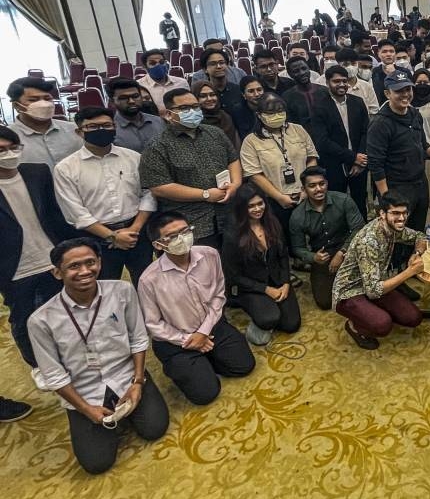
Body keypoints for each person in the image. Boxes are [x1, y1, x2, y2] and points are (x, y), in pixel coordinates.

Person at [28, 238, 169, 474]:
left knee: (155, 428)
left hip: (127, 377)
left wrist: (137, 382)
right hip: (84, 391)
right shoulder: (41, 321)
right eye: (74, 266)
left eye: (90, 262)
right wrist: (85, 409)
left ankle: (131, 400)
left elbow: (138, 338)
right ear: (57, 273)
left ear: (100, 263)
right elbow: (54, 376)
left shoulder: (122, 291)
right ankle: (101, 415)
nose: (85, 271)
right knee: (97, 463)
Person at [138, 211, 255, 404]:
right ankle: (189, 365)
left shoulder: (209, 255)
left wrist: (203, 332)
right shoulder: (149, 280)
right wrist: (188, 340)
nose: (182, 238)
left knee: (244, 366)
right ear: (159, 245)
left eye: (185, 231)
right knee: (205, 394)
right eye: (173, 236)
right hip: (176, 341)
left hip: (211, 325)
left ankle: (206, 359)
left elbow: (218, 295)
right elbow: (153, 324)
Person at [0, 126, 75, 385]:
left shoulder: (37, 172)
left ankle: (70, 357)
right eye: (1, 151)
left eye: (13, 148)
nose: (9, 154)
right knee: (25, 319)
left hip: (51, 256)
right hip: (13, 266)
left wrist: (68, 248)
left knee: (66, 310)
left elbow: (54, 215)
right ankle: (38, 364)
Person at [53, 107, 156, 288]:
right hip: (97, 238)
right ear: (79, 132)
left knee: (147, 283)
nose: (101, 130)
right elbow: (76, 213)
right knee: (106, 288)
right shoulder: (66, 168)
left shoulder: (133, 158)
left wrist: (135, 228)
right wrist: (112, 236)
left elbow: (148, 193)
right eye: (92, 127)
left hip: (137, 232)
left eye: (106, 125)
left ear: (114, 127)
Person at [139, 88, 242, 249]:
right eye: (184, 109)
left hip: (229, 214)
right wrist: (206, 195)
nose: (192, 112)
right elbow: (159, 187)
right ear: (168, 114)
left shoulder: (215, 133)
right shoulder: (157, 146)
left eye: (195, 107)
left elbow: (233, 159)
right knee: (202, 268)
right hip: (192, 222)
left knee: (233, 264)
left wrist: (235, 185)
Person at [330, 191, 426, 349]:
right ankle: (354, 325)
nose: (401, 218)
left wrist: (417, 253)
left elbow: (419, 236)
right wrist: (409, 272)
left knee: (413, 318)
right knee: (383, 325)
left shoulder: (393, 227)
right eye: (395, 213)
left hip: (376, 282)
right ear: (382, 213)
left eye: (404, 213)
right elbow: (373, 291)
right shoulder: (369, 240)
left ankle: (372, 311)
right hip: (350, 291)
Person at [367, 70, 430, 233]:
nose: (405, 94)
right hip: (397, 188)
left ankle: (415, 258)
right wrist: (386, 199)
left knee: (417, 232)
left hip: (419, 184)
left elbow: (423, 144)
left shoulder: (414, 114)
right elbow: (376, 165)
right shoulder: (380, 124)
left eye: (408, 89)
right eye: (399, 91)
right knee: (397, 235)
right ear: (387, 93)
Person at [222, 184, 300, 346]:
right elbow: (233, 275)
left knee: (291, 325)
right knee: (269, 318)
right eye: (250, 206)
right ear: (242, 208)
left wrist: (286, 282)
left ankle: (269, 312)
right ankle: (247, 306)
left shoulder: (272, 222)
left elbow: (283, 255)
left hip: (277, 279)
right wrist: (265, 290)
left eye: (260, 203)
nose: (257, 209)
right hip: (251, 285)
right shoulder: (232, 234)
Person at [239, 92, 318, 235]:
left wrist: (307, 188)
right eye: (271, 112)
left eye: (280, 111)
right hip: (274, 201)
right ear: (259, 114)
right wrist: (279, 197)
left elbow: (312, 158)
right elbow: (254, 175)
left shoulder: (298, 130)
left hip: (305, 194)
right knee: (282, 238)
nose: (277, 115)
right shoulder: (251, 141)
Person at [290, 167, 364, 311]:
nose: (318, 189)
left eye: (321, 184)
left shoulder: (343, 200)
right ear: (304, 188)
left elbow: (359, 228)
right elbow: (297, 248)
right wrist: (313, 257)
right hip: (322, 255)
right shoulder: (298, 216)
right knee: (325, 302)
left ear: (327, 183)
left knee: (369, 284)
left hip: (349, 248)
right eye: (312, 186)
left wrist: (342, 252)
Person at [310, 65, 369, 217]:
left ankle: (361, 234)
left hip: (359, 163)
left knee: (360, 201)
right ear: (328, 82)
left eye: (344, 81)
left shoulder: (358, 102)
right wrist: (352, 157)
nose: (342, 84)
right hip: (334, 164)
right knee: (335, 204)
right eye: (336, 81)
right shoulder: (318, 107)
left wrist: (359, 158)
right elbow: (322, 141)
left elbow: (366, 132)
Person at [8, 77, 82, 169]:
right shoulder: (7, 139)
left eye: (47, 99)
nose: (43, 104)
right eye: (33, 100)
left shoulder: (74, 130)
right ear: (16, 105)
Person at [109, 79, 165, 153]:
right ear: (112, 102)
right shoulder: (110, 130)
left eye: (135, 96)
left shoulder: (159, 122)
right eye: (123, 98)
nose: (131, 101)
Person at [191, 80, 240, 150]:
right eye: (203, 96)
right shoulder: (192, 120)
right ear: (195, 98)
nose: (209, 99)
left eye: (212, 94)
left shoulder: (225, 117)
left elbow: (234, 145)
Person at [335, 48, 380, 115]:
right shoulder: (331, 85)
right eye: (346, 64)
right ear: (338, 65)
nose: (351, 67)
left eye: (353, 63)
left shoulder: (367, 86)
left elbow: (374, 111)